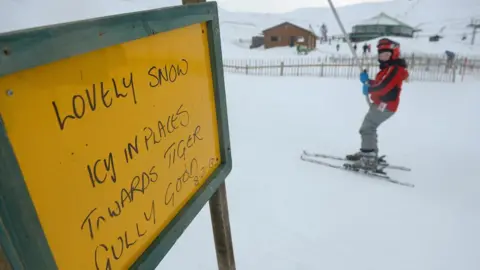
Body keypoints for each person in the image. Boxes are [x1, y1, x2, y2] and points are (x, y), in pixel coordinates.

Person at [346, 38, 409, 171]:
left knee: (367, 128)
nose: (383, 57)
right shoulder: (389, 68)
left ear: (394, 54)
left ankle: (368, 159)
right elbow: (380, 83)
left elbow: (384, 87)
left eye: (386, 54)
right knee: (370, 126)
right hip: (382, 103)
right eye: (381, 54)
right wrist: (368, 81)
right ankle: (369, 152)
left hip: (386, 106)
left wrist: (369, 88)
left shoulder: (395, 69)